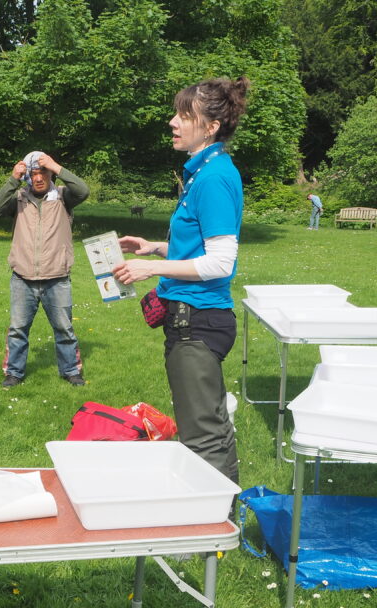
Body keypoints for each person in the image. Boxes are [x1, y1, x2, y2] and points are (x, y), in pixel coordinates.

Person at [113, 77, 250, 484]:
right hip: (195, 317)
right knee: (212, 423)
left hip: (198, 321)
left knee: (201, 436)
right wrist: (155, 247)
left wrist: (151, 269)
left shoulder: (212, 178)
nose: (173, 122)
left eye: (183, 116)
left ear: (210, 127)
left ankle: (209, 533)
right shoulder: (204, 172)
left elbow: (221, 262)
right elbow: (201, 246)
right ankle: (226, 514)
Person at [0, 151, 89, 388]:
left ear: (49, 174)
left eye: (42, 172)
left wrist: (56, 166)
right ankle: (14, 372)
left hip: (57, 277)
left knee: (64, 329)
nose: (38, 178)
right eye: (33, 174)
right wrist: (13, 178)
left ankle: (70, 371)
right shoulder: (18, 198)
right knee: (18, 329)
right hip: (22, 277)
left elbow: (83, 190)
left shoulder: (64, 196)